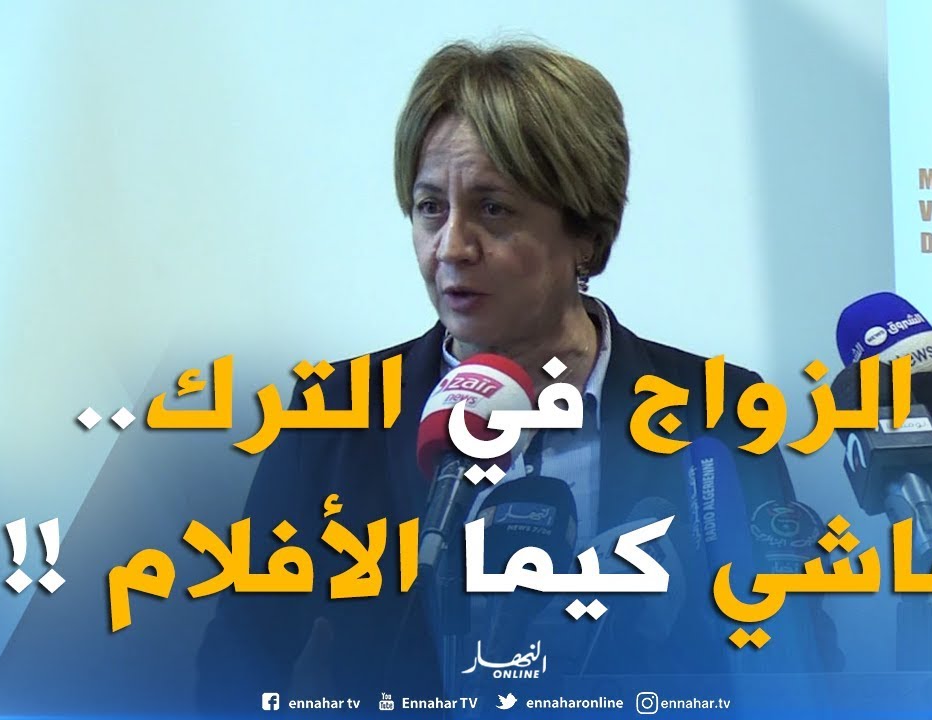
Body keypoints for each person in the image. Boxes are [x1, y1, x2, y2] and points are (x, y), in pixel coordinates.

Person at [195, 39, 839, 713]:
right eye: (430, 208)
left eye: (493, 209)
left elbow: (800, 661)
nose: (451, 247)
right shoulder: (336, 413)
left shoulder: (718, 410)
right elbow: (236, 661)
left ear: (587, 232)